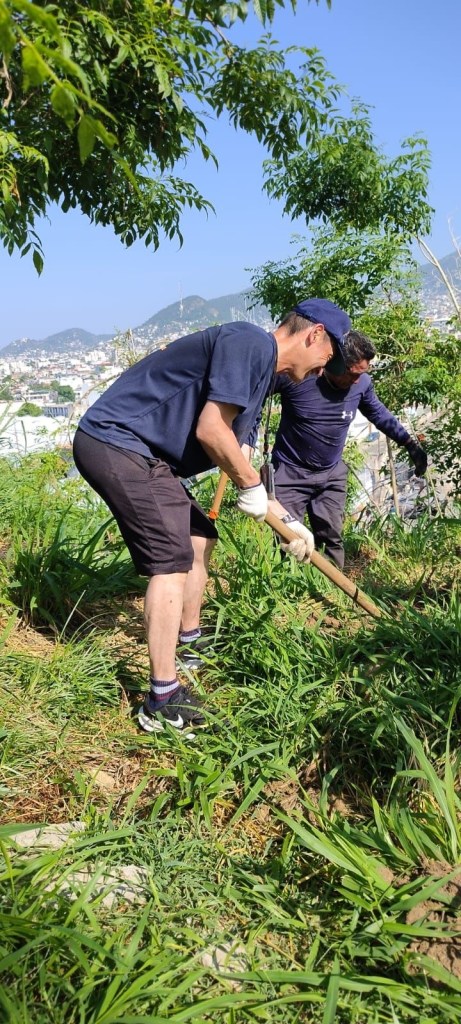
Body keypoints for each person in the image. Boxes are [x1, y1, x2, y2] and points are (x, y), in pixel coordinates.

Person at [73, 298, 351, 734]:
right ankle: (161, 700)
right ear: (314, 334)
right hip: (118, 443)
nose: (322, 372)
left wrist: (286, 520)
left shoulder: (262, 378)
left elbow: (238, 456)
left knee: (199, 537)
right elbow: (211, 430)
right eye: (327, 358)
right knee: (171, 559)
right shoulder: (250, 343)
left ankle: (189, 642)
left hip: (146, 455)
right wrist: (251, 487)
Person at [270, 330, 428, 569]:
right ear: (334, 362)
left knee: (331, 537)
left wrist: (409, 444)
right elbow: (255, 395)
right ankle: (285, 587)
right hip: (290, 472)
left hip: (331, 474)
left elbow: (378, 413)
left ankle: (331, 587)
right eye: (352, 373)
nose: (356, 381)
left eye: (361, 374)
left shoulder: (361, 384)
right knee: (286, 540)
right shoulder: (299, 375)